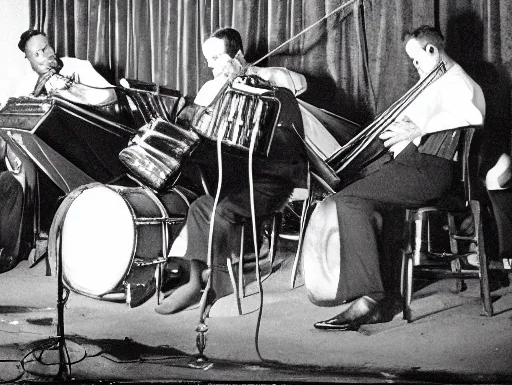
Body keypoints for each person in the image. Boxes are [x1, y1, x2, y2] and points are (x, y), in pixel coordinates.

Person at [313, 25, 486, 331]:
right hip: (418, 165)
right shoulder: (440, 79)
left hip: (428, 170)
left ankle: (372, 296)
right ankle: (386, 297)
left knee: (347, 200)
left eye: (417, 59)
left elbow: (475, 117)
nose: (415, 66)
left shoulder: (458, 81)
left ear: (432, 50)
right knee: (364, 202)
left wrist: (420, 130)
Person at [155, 27, 308, 314]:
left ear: (236, 55)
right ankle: (194, 280)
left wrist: (250, 73)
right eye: (207, 59)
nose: (210, 65)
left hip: (272, 180)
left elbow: (299, 83)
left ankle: (217, 285)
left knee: (222, 211)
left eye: (216, 58)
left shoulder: (270, 82)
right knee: (201, 206)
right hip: (235, 175)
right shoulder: (211, 90)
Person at [13, 29, 117, 107]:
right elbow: (13, 114)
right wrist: (36, 95)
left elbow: (112, 96)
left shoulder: (79, 66)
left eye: (46, 47)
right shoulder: (27, 82)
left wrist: (74, 89)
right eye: (37, 54)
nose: (47, 54)